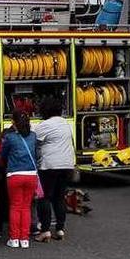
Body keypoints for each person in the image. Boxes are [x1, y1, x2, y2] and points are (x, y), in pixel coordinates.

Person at [34, 97, 75, 242]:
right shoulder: (65, 124)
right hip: (67, 164)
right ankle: (60, 228)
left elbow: (35, 142)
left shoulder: (44, 125)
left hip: (49, 165)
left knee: (44, 197)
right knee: (59, 197)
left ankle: (45, 230)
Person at [0, 110, 39, 249]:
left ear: (14, 123)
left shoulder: (10, 137)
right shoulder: (33, 136)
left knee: (15, 206)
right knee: (26, 207)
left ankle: (14, 238)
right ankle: (25, 238)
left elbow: (3, 154)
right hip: (31, 174)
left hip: (15, 174)